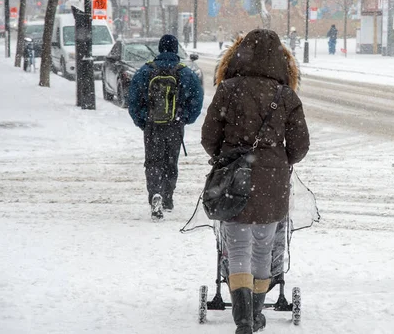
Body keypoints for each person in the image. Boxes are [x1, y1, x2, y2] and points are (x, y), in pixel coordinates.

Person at [202, 29, 309, 333]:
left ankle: (243, 320)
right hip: (273, 183)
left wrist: (226, 158)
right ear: (280, 61)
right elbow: (300, 146)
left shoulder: (228, 90)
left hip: (234, 179)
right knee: (263, 249)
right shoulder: (285, 96)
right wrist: (277, 161)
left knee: (236, 249)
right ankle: (256, 314)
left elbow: (209, 137)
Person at [128, 34, 204, 221]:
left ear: (160, 49)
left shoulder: (146, 71)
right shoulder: (185, 72)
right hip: (175, 126)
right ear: (176, 49)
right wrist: (185, 118)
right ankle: (168, 198)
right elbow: (197, 100)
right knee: (171, 163)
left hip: (152, 125)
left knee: (153, 162)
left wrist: (142, 120)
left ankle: (155, 193)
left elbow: (133, 100)